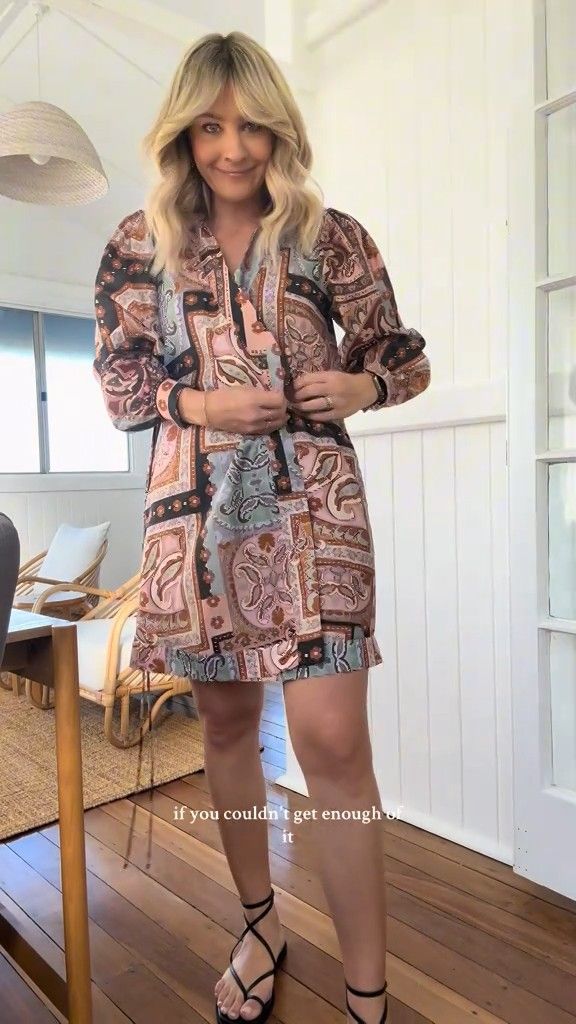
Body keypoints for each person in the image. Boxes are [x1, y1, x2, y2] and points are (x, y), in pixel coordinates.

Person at [93, 30, 430, 1024]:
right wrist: (201, 405)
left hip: (318, 510)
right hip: (193, 517)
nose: (233, 148)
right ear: (182, 135)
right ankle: (257, 923)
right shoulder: (139, 242)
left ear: (280, 129)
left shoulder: (332, 237)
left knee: (333, 741)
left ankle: (367, 989)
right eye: (210, 127)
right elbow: (120, 387)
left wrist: (362, 385)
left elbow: (402, 355)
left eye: (251, 126)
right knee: (229, 726)